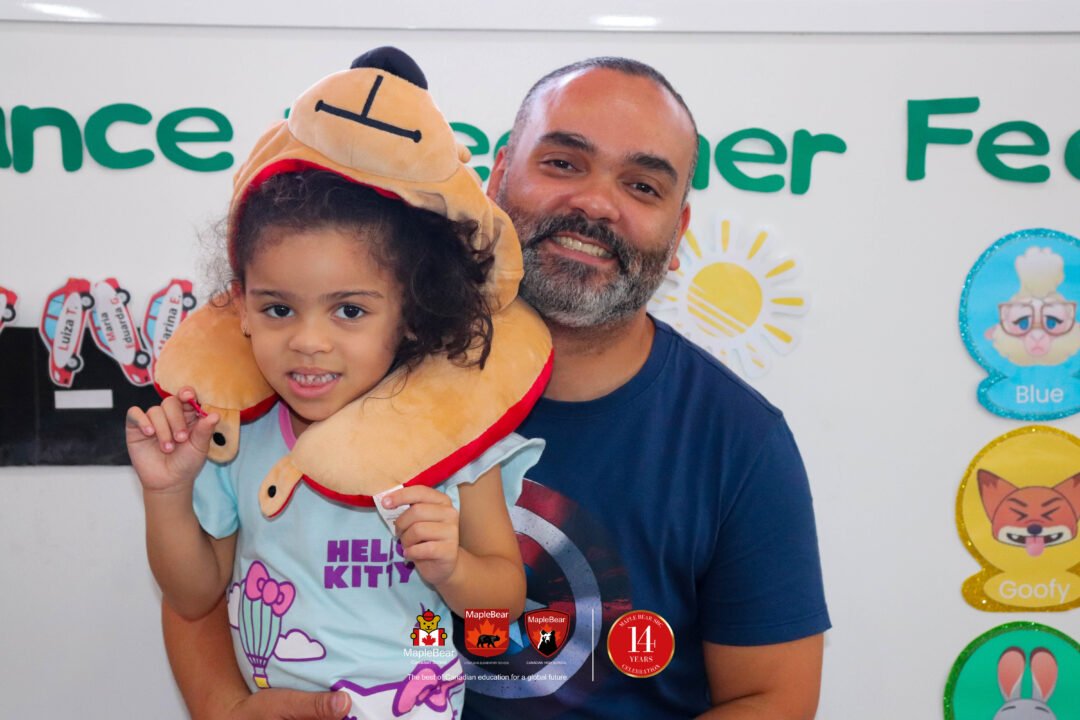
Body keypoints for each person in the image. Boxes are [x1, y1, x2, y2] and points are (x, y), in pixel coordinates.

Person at [161, 55, 830, 720]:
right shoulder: (333, 363)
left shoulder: (738, 441)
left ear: (678, 232)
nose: (596, 203)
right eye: (563, 162)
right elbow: (211, 579)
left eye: (642, 185)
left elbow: (774, 698)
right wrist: (226, 711)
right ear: (497, 175)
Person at [130, 48, 544, 720]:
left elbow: (505, 598)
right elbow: (193, 593)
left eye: (349, 311)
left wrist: (454, 569)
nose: (309, 341)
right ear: (240, 307)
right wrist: (167, 494)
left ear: (411, 314)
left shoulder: (453, 440)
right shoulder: (238, 436)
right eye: (278, 308)